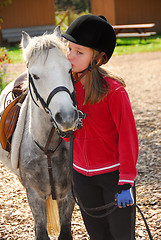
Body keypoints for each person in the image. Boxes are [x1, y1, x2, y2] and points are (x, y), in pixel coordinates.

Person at [62, 14, 139, 240]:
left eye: (79, 52)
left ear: (98, 58)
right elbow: (68, 137)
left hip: (114, 177)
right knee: (98, 236)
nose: (70, 56)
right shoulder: (67, 90)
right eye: (69, 49)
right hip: (82, 177)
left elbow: (128, 137)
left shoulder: (114, 92)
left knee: (122, 236)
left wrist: (126, 181)